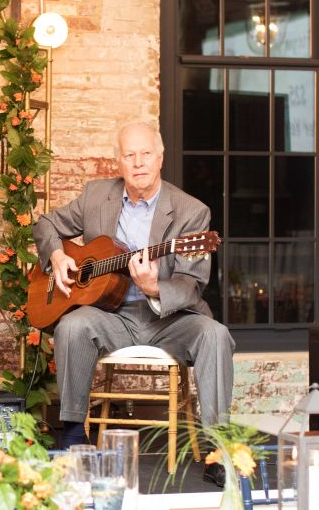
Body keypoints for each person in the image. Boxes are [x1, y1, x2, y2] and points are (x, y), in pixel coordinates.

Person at [33, 121, 234, 484]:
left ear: (160, 157)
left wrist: (155, 287)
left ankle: (217, 448)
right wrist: (58, 257)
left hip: (171, 319)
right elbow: (46, 224)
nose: (138, 163)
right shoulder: (96, 196)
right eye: (129, 155)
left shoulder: (191, 212)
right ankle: (74, 433)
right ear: (118, 162)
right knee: (72, 325)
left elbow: (193, 284)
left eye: (145, 154)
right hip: (112, 315)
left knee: (215, 334)